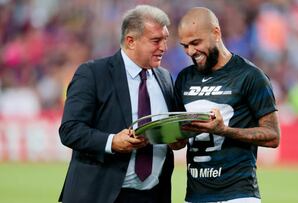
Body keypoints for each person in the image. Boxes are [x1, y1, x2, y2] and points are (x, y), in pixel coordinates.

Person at [59, 5, 175, 203]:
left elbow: (168, 131)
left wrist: (176, 137)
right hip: (100, 194)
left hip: (152, 195)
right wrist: (111, 142)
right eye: (156, 41)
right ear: (130, 41)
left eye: (165, 39)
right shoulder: (93, 73)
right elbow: (70, 130)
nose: (163, 47)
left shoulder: (165, 78)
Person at [171, 7, 281, 203]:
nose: (190, 51)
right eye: (185, 46)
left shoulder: (250, 76)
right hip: (195, 196)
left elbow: (273, 136)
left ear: (216, 32)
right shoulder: (184, 78)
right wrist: (168, 133)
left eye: (196, 43)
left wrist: (224, 130)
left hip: (238, 195)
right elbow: (177, 142)